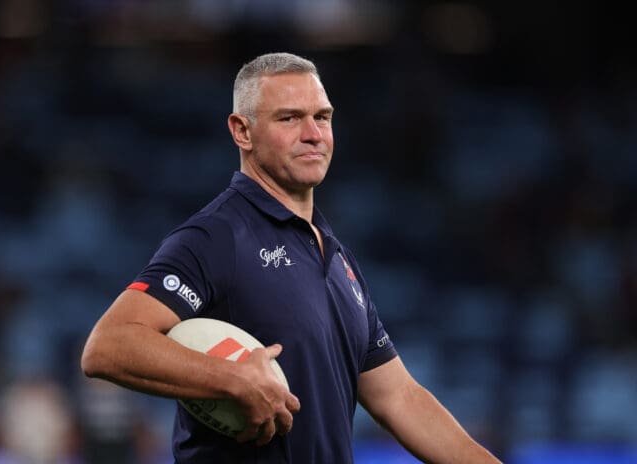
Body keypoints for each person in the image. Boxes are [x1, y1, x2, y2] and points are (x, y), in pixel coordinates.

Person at [81, 52, 502, 463]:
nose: (313, 134)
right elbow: (108, 345)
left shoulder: (337, 258)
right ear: (242, 132)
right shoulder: (216, 236)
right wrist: (230, 379)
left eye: (322, 117)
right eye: (289, 118)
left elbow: (399, 397)